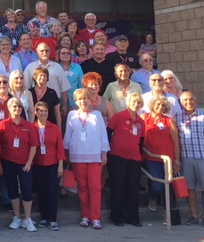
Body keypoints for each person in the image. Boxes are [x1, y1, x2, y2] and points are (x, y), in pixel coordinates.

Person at [64, 88, 110, 230]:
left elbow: (103, 135)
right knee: (82, 187)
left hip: (95, 155)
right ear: (76, 101)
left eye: (85, 98)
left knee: (95, 187)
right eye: (80, 99)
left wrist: (104, 153)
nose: (83, 101)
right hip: (77, 156)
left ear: (89, 100)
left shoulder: (97, 115)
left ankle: (96, 218)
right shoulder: (72, 115)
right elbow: (68, 135)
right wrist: (66, 155)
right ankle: (85, 216)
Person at [0, 97, 38, 232]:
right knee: (12, 190)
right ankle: (17, 217)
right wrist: (0, 163)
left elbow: (33, 145)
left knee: (27, 190)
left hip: (24, 163)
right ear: (9, 109)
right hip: (8, 161)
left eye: (19, 107)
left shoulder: (28, 125)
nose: (17, 109)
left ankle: (27, 218)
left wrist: (29, 162)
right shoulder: (3, 124)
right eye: (14, 106)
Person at [107, 92, 145, 227]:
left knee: (133, 188)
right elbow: (108, 134)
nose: (136, 104)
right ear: (128, 102)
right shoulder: (118, 117)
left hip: (134, 158)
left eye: (138, 102)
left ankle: (132, 217)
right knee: (118, 186)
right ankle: (117, 216)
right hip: (117, 157)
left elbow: (141, 142)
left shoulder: (141, 122)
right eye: (134, 102)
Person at [142, 96, 181, 223]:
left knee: (167, 186)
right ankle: (153, 198)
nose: (160, 107)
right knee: (158, 185)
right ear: (153, 105)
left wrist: (177, 161)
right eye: (158, 104)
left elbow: (176, 142)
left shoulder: (169, 121)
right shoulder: (145, 118)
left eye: (163, 105)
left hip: (168, 159)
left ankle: (167, 214)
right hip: (151, 157)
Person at [32, 101, 65, 230]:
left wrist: (60, 165)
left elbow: (60, 148)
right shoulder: (32, 128)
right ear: (36, 113)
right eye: (41, 111)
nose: (43, 113)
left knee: (52, 191)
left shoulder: (55, 128)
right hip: (38, 164)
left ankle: (52, 219)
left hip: (52, 164)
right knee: (41, 191)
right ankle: (44, 218)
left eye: (45, 111)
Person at [175, 91, 204, 226]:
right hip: (186, 158)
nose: (188, 102)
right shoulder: (176, 117)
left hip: (202, 157)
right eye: (185, 100)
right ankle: (193, 215)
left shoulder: (202, 115)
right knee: (189, 188)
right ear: (181, 103)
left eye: (191, 99)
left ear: (195, 101)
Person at [23, 43, 70, 115]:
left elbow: (64, 87)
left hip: (55, 103)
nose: (44, 52)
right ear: (37, 52)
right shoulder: (30, 67)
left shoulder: (57, 67)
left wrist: (65, 105)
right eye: (42, 51)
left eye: (47, 50)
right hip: (36, 103)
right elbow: (26, 88)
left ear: (50, 52)